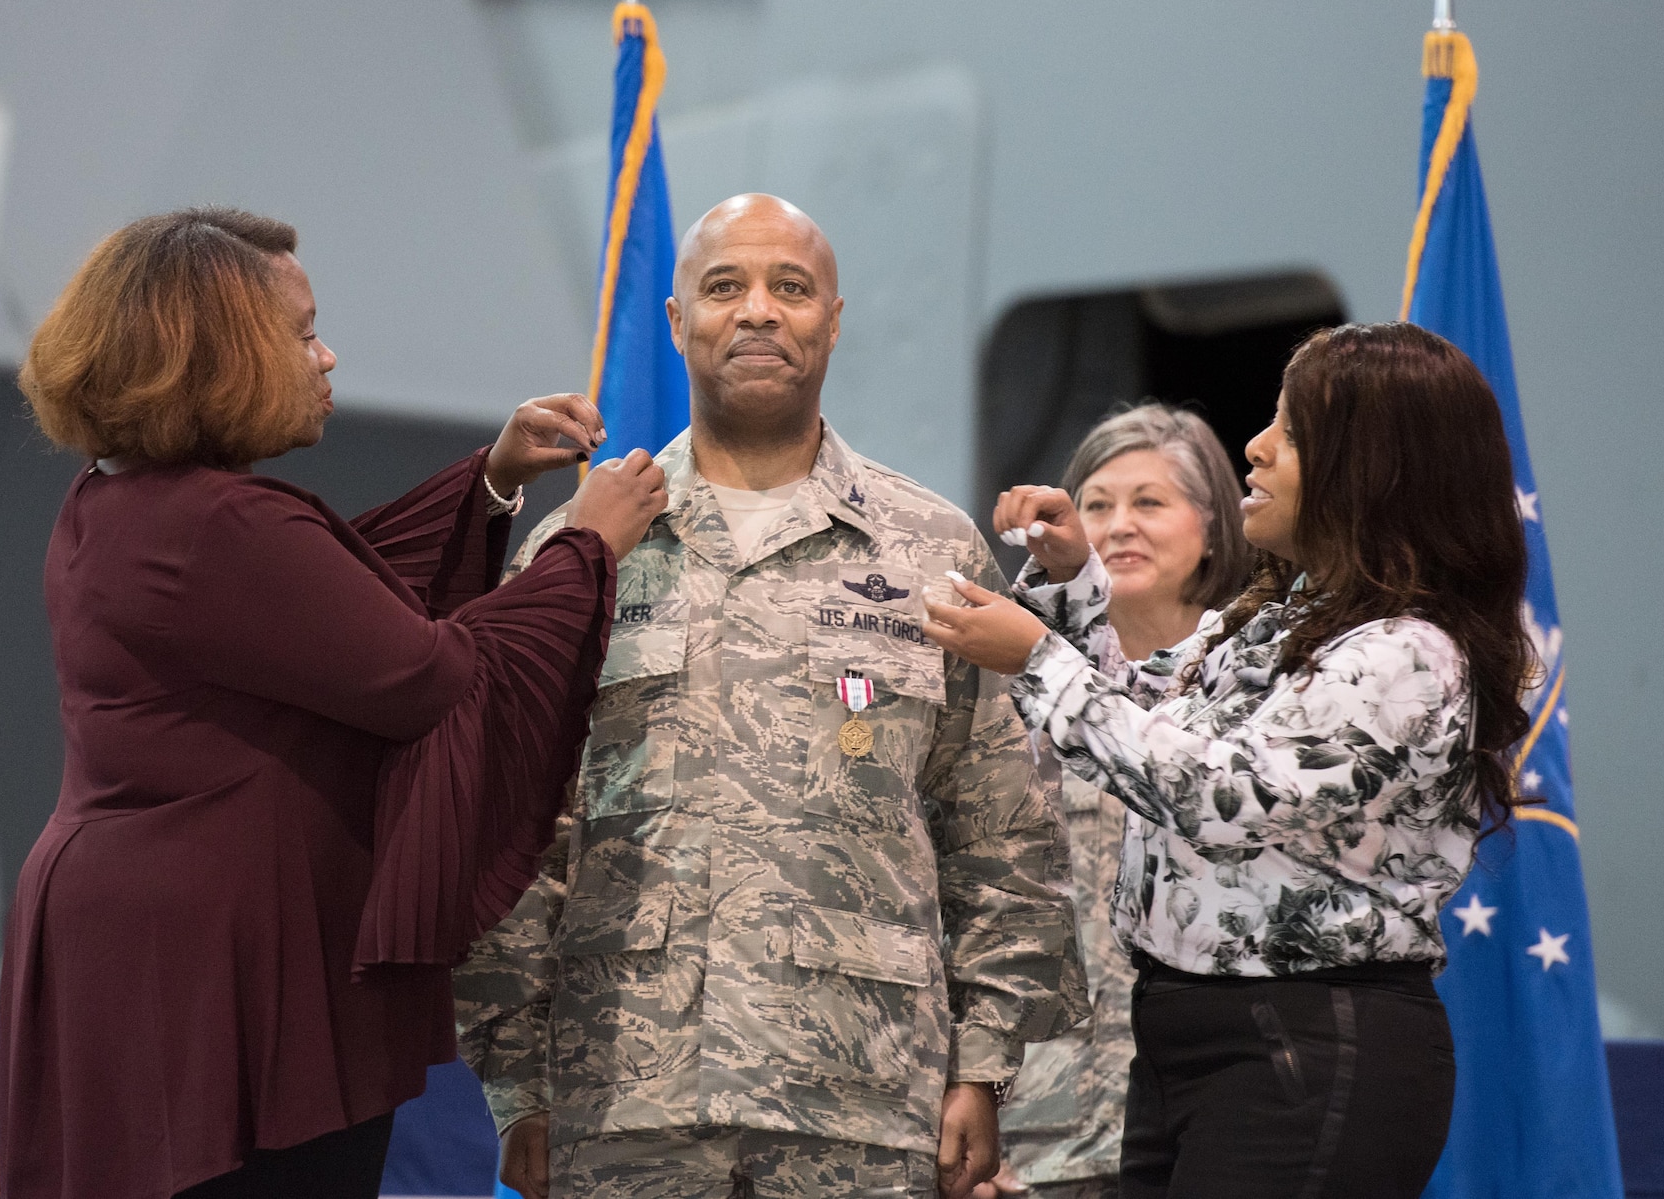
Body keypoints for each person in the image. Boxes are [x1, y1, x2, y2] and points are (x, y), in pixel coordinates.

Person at [0, 208, 668, 1199]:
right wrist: (587, 545)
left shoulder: (119, 499)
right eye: (301, 333)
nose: (327, 355)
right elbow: (430, 676)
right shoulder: (223, 522)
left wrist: (489, 484)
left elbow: (325, 611)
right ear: (219, 356)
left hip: (135, 944)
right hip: (224, 966)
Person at [455, 194, 1085, 1199]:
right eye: (724, 287)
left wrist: (983, 1063)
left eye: (789, 289)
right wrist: (514, 1080)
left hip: (865, 1099)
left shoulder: (931, 549)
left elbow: (999, 827)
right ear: (675, 322)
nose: (757, 311)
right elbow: (516, 830)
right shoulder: (580, 553)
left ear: (832, 320)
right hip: (620, 1093)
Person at [925, 322, 1533, 1199]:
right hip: (1190, 1035)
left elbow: (1219, 793)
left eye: (1289, 431)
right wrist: (1070, 585)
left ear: (1371, 464)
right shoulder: (1287, 618)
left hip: (1306, 1044)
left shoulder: (1407, 654)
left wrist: (1033, 656)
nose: (1256, 446)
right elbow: (1149, 717)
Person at [985, 406, 1250, 1199]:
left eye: (1150, 501)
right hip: (1037, 1124)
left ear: (1213, 525)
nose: (1119, 526)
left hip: (1215, 1108)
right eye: (1096, 504)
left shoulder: (1259, 679)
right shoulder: (1010, 682)